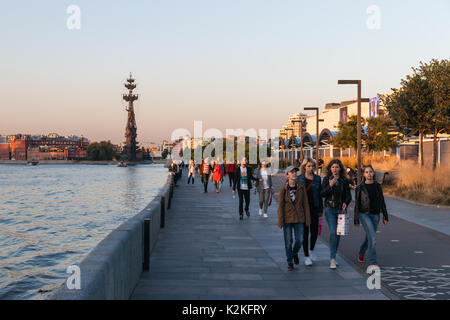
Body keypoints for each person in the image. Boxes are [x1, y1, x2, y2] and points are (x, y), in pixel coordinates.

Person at [354, 164, 389, 267]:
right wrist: (356, 219)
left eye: (370, 172)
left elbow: (382, 201)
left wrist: (385, 216)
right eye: (366, 172)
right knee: (373, 238)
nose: (369, 174)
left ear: (373, 173)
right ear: (364, 174)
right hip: (364, 214)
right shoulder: (360, 187)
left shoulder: (378, 186)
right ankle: (373, 262)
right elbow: (357, 204)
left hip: (376, 215)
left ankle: (361, 252)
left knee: (369, 236)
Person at [277, 166, 311, 271]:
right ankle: (290, 261)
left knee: (300, 240)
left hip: (299, 218)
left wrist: (307, 219)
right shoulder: (283, 188)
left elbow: (305, 203)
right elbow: (280, 205)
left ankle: (294, 252)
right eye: (291, 172)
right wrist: (280, 220)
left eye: (295, 172)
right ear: (287, 175)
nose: (294, 174)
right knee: (288, 241)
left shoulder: (301, 187)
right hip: (287, 218)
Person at [321, 159, 352, 269]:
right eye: (333, 167)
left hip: (341, 210)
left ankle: (334, 256)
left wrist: (345, 203)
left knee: (338, 234)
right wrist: (330, 185)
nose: (335, 169)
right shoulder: (326, 179)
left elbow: (348, 196)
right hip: (330, 209)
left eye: (337, 167)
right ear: (330, 168)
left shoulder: (344, 180)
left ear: (340, 169)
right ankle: (332, 259)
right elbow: (322, 194)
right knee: (333, 232)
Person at [297, 158, 323, 266]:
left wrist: (321, 210)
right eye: (308, 166)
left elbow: (320, 195)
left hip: (314, 208)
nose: (311, 168)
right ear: (304, 167)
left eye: (312, 166)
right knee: (305, 233)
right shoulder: (299, 179)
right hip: (303, 209)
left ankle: (311, 250)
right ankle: (306, 256)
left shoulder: (317, 178)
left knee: (314, 232)